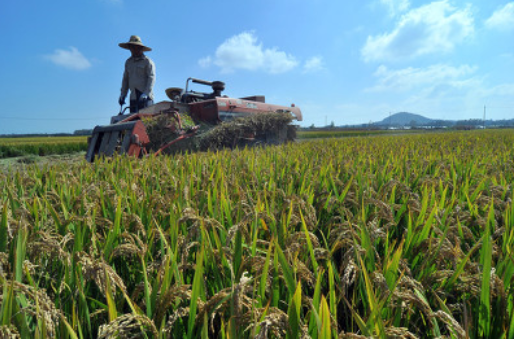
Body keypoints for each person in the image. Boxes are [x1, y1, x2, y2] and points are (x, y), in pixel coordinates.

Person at [118, 35, 156, 113]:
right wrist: (123, 94)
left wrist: (146, 93)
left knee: (145, 122)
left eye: (136, 47)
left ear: (140, 48)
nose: (134, 49)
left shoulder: (147, 61)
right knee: (133, 121)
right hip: (133, 98)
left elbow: (151, 78)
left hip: (145, 98)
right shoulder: (128, 62)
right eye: (131, 47)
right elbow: (125, 79)